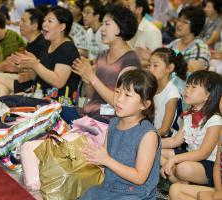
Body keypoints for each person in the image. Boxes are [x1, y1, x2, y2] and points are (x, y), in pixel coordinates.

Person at [80, 69, 160, 199]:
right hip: (110, 188)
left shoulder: (148, 135)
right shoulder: (113, 123)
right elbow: (103, 159)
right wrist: (91, 155)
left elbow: (140, 177)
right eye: (117, 92)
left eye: (127, 95)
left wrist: (106, 160)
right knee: (88, 193)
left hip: (135, 194)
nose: (119, 99)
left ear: (145, 104)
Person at [61, 4, 140, 124]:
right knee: (52, 111)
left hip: (109, 121)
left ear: (122, 27)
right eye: (102, 24)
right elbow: (92, 95)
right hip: (90, 113)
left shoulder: (130, 60)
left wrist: (93, 79)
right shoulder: (102, 55)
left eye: (107, 24)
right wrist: (87, 79)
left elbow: (119, 101)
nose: (102, 29)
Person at [160, 70, 222, 187]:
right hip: (191, 156)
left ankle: (179, 179)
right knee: (154, 150)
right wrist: (149, 141)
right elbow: (175, 141)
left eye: (194, 87)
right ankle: (180, 182)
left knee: (183, 168)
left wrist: (174, 159)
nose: (187, 90)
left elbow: (203, 153)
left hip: (209, 164)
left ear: (208, 95)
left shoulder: (215, 120)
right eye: (187, 86)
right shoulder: (188, 115)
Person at [7, 6, 80, 102]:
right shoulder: (47, 46)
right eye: (44, 21)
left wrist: (35, 64)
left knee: (2, 105)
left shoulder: (68, 49)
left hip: (58, 106)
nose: (44, 24)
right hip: (38, 98)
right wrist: (27, 67)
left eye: (50, 21)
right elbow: (43, 76)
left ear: (62, 27)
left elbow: (58, 82)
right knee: (1, 101)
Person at [169, 97, 222, 200]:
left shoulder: (216, 121)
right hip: (219, 189)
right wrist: (218, 191)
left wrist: (216, 196)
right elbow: (217, 165)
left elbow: (203, 154)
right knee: (175, 190)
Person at [0, 7, 48, 97]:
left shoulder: (42, 44)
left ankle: (1, 106)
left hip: (35, 85)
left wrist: (17, 68)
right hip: (28, 80)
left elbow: (38, 71)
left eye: (24, 21)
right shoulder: (31, 42)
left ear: (34, 26)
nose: (20, 24)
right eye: (20, 21)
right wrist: (15, 67)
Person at [148, 48, 187, 136]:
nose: (150, 69)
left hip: (168, 138)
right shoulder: (152, 87)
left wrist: (145, 137)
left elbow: (164, 130)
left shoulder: (172, 94)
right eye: (149, 65)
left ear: (170, 68)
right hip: (153, 132)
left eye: (155, 65)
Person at [167, 6, 210, 72]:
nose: (179, 24)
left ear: (195, 26)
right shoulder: (174, 43)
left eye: (185, 22)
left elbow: (191, 71)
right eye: (179, 20)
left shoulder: (200, 48)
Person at [122, 0, 162, 65]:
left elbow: (157, 63)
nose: (124, 11)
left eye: (128, 7)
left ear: (139, 9)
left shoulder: (152, 32)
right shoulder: (125, 27)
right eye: (125, 7)